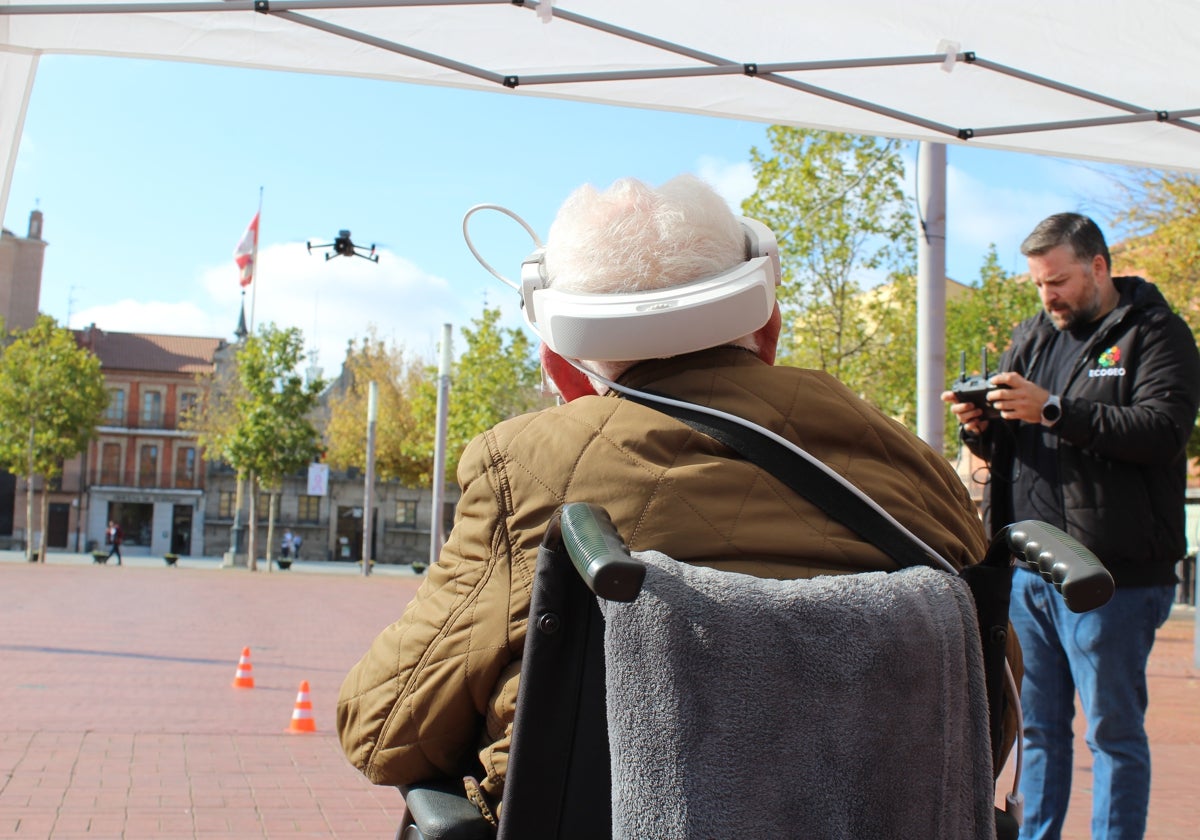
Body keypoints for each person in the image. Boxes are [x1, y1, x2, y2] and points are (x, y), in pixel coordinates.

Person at [337, 175, 1007, 820]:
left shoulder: (522, 468)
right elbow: (990, 715)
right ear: (768, 330)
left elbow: (382, 727)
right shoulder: (915, 469)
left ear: (558, 364)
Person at [942, 212, 1200, 840]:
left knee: (1112, 729)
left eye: (1056, 281)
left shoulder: (1156, 333)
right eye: (1037, 284)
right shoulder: (1033, 335)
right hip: (1032, 570)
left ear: (1099, 267)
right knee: (1039, 729)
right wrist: (981, 424)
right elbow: (1013, 436)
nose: (1047, 296)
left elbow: (1163, 432)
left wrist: (1054, 409)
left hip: (1112, 574)